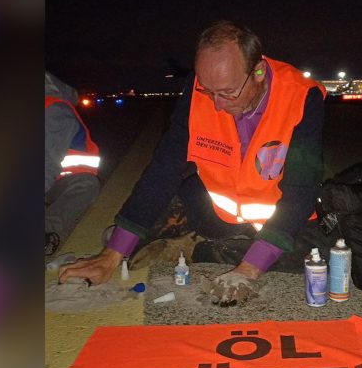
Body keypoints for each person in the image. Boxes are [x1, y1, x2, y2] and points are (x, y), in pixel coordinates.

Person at [59, 20, 326, 306]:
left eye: (228, 92)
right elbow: (164, 168)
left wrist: (247, 271)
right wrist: (110, 256)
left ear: (258, 71)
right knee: (125, 234)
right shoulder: (200, 89)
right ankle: (205, 244)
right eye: (208, 91)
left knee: (314, 258)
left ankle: (200, 250)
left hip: (279, 219)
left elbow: (300, 192)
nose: (217, 105)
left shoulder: (300, 97)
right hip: (215, 214)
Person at [44, 71, 101, 256]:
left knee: (87, 185)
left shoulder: (53, 111)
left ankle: (47, 232)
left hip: (61, 182)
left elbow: (46, 166)